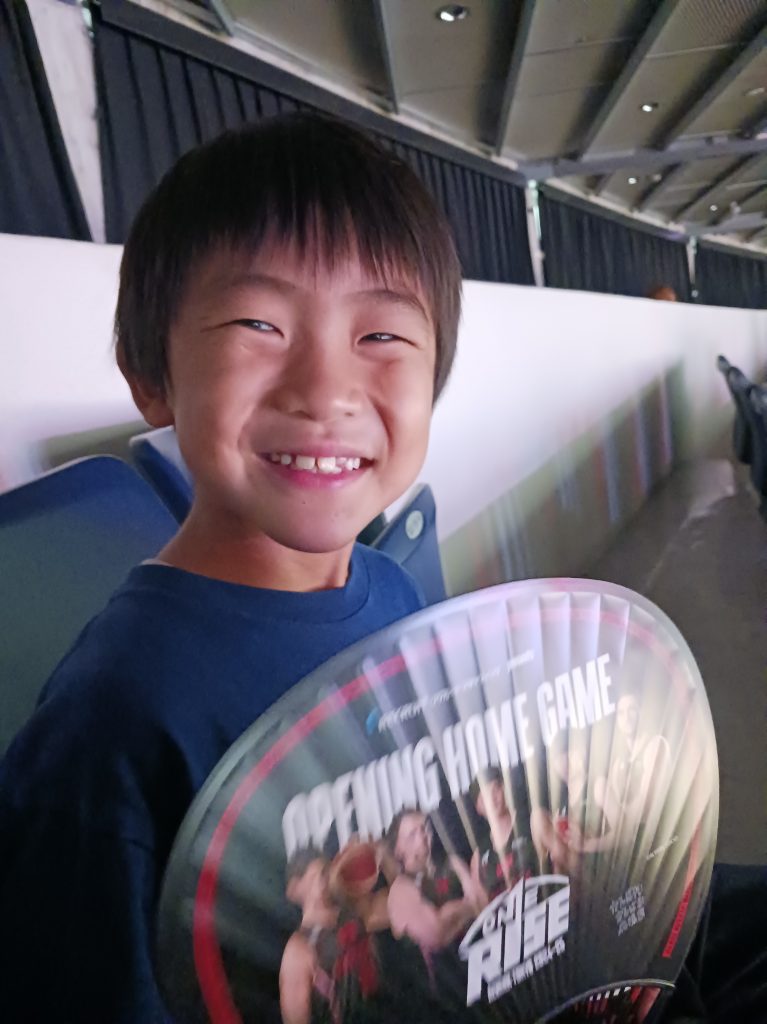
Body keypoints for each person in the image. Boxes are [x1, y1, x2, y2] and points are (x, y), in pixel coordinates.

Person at [0, 112, 462, 1022]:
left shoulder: (398, 594)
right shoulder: (114, 726)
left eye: (381, 336)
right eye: (259, 323)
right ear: (151, 375)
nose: (325, 391)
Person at [468, 767, 536, 903]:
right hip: (506, 915)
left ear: (505, 789)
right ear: (478, 807)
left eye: (496, 789)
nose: (492, 799)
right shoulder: (479, 857)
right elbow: (483, 906)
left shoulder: (532, 823)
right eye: (485, 796)